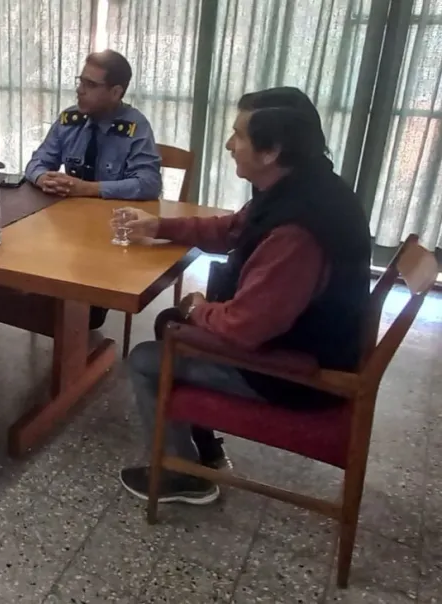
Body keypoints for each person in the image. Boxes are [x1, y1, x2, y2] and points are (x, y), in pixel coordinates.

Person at [116, 87, 372, 505]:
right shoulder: (306, 184)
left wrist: (200, 309)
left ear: (271, 151)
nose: (229, 145)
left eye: (239, 136)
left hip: (293, 373)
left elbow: (246, 328)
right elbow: (232, 229)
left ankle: (182, 475)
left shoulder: (297, 232)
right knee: (172, 326)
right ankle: (206, 452)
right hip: (308, 342)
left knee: (147, 357)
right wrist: (159, 226)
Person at [25, 50, 163, 329]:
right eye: (80, 81)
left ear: (115, 92)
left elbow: (149, 184)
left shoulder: (135, 127)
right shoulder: (70, 119)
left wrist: (88, 188)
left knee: (83, 313)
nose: (79, 90)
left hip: (111, 232)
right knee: (28, 278)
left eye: (90, 85)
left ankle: (75, 323)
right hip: (69, 229)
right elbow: (38, 161)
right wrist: (43, 178)